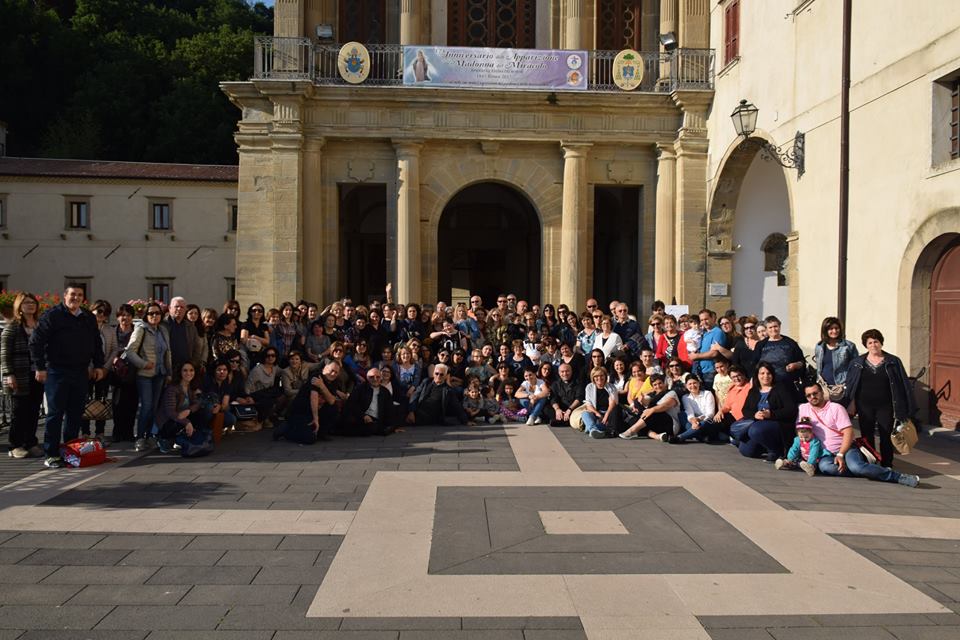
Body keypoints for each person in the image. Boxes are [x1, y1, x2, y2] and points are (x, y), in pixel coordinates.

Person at [28, 284, 106, 468]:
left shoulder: (87, 317)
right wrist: (40, 367)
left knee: (75, 414)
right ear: (65, 296)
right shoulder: (52, 315)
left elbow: (96, 342)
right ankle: (51, 454)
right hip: (56, 371)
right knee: (55, 414)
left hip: (80, 372)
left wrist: (99, 365)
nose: (76, 298)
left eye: (79, 295)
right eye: (72, 294)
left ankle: (69, 451)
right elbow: (36, 342)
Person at [802, 381, 919, 487]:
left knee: (857, 467)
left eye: (815, 393)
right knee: (826, 468)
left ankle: (897, 477)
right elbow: (801, 432)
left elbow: (848, 432)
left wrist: (841, 454)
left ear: (822, 392)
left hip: (846, 449)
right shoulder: (803, 409)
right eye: (809, 395)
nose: (813, 397)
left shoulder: (836, 408)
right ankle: (867, 471)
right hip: (825, 454)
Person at [842, 329, 916, 468]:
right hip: (864, 405)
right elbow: (851, 385)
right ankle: (869, 461)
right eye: (870, 342)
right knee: (866, 435)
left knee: (886, 434)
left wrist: (906, 406)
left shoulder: (893, 361)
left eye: (876, 341)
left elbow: (903, 384)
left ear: (881, 343)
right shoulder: (857, 362)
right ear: (866, 345)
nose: (873, 345)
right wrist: (851, 403)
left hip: (886, 405)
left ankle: (887, 463)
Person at [123, 302, 172, 452]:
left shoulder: (163, 330)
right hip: (145, 375)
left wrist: (169, 372)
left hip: (160, 374)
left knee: (155, 407)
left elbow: (167, 353)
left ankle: (151, 435)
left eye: (157, 313)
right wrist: (143, 364)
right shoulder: (140, 330)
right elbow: (130, 351)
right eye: (151, 313)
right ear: (146, 315)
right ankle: (140, 437)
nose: (155, 316)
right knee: (147, 406)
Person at [2, 292, 44, 458]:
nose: (30, 305)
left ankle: (31, 442)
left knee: (34, 410)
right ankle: (16, 445)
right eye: (26, 303)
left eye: (32, 302)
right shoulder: (12, 326)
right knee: (19, 412)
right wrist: (9, 374)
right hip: (18, 375)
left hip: (37, 375)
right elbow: (4, 353)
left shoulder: (39, 325)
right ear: (19, 306)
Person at [734, 362, 798, 461]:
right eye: (762, 373)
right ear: (757, 375)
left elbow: (791, 409)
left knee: (755, 430)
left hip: (777, 424)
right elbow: (745, 410)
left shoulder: (780, 388)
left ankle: (777, 451)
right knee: (746, 451)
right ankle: (766, 447)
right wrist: (754, 415)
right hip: (758, 423)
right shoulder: (754, 391)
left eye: (768, 373)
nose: (765, 376)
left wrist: (771, 414)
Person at [274, 360, 342, 444]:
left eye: (336, 372)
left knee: (333, 408)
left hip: (313, 412)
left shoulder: (333, 381)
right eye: (331, 370)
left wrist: (322, 386)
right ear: (324, 369)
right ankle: (286, 430)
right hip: (300, 412)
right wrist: (316, 419)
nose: (333, 374)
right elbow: (313, 397)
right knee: (309, 439)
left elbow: (331, 401)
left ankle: (320, 433)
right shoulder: (316, 377)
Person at [155, 361, 212, 454]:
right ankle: (164, 439)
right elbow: (170, 413)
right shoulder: (172, 389)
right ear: (180, 372)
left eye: (191, 370)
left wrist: (189, 410)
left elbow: (197, 404)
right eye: (185, 370)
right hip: (168, 422)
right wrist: (187, 422)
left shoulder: (190, 387)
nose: (188, 373)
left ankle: (196, 437)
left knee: (204, 411)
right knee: (176, 423)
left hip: (182, 418)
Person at [83, 299, 120, 440]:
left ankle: (100, 433)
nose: (101, 315)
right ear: (92, 310)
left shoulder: (109, 329)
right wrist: (89, 368)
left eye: (105, 313)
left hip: (104, 371)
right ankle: (85, 432)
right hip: (86, 371)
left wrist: (105, 368)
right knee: (84, 401)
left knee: (102, 401)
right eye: (98, 311)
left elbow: (115, 349)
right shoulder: (84, 327)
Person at [755, 316, 806, 400]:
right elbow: (755, 365)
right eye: (770, 327)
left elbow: (802, 362)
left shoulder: (790, 343)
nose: (773, 329)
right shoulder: (761, 345)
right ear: (766, 329)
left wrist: (795, 365)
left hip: (787, 385)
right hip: (767, 386)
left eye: (775, 326)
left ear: (779, 326)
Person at [618, 374, 680, 441]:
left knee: (653, 412)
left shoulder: (671, 393)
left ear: (664, 383)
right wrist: (642, 400)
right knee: (635, 419)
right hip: (656, 425)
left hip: (670, 425)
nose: (658, 386)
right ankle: (657, 436)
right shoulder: (652, 395)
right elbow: (647, 400)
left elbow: (666, 405)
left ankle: (632, 431)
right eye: (655, 385)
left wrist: (652, 410)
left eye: (660, 383)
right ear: (652, 387)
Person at [110, 304, 139, 443]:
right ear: (117, 317)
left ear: (132, 318)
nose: (125, 318)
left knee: (131, 404)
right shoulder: (113, 332)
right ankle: (117, 432)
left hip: (133, 372)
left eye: (128, 315)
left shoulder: (136, 332)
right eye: (122, 315)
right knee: (117, 404)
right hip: (116, 373)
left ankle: (128, 432)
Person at [814, 316, 860, 402]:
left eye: (836, 328)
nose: (834, 331)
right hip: (824, 388)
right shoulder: (819, 346)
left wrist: (849, 385)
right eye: (831, 329)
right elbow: (819, 367)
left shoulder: (848, 346)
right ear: (825, 330)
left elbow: (855, 368)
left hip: (842, 389)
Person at [340, 367, 395, 436]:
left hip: (376, 419)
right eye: (371, 377)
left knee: (374, 428)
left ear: (381, 378)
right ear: (367, 378)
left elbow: (389, 409)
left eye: (377, 377)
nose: (375, 379)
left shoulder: (385, 392)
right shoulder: (360, 389)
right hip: (361, 417)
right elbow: (351, 404)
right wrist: (363, 416)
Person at [244, 346, 285, 428]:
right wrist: (247, 397)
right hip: (256, 394)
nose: (270, 357)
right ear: (264, 357)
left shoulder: (274, 368)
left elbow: (285, 372)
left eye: (273, 355)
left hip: (267, 393)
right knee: (269, 399)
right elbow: (248, 385)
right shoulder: (257, 370)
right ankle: (262, 421)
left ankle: (268, 417)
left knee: (282, 395)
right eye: (268, 355)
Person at [713, 314, 761, 378]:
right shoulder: (722, 338)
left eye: (727, 323)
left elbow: (732, 356)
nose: (749, 330)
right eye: (722, 324)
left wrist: (719, 348)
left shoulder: (739, 339)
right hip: (737, 375)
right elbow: (735, 361)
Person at [165, 297, 205, 373]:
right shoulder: (162, 325)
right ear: (170, 308)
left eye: (182, 307)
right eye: (176, 306)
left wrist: (193, 364)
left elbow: (197, 347)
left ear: (185, 310)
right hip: (166, 368)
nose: (179, 309)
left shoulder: (190, 327)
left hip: (185, 370)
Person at [675, 375, 719, 443]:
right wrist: (693, 421)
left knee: (704, 423)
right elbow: (689, 412)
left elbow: (710, 414)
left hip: (707, 422)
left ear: (699, 383)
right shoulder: (685, 397)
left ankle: (680, 437)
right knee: (682, 415)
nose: (693, 386)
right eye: (690, 384)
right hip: (694, 422)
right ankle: (701, 437)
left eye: (695, 383)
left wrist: (698, 419)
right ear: (686, 386)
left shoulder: (707, 393)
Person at [581, 367, 623, 439]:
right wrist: (597, 414)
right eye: (596, 376)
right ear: (593, 378)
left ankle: (591, 428)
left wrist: (606, 415)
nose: (599, 378)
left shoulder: (611, 387)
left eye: (601, 375)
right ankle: (593, 430)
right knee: (585, 414)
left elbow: (614, 403)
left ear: (605, 376)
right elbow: (588, 404)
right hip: (596, 413)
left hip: (608, 414)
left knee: (604, 423)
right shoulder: (589, 387)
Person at [689, 309, 726, 389]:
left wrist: (696, 356)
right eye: (701, 320)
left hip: (710, 372)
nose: (704, 322)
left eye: (706, 319)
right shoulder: (703, 332)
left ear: (712, 318)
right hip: (699, 371)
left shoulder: (717, 332)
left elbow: (714, 353)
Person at [549, 362, 584, 427]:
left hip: (573, 408)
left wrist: (569, 410)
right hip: (561, 408)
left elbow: (579, 399)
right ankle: (565, 420)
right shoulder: (555, 384)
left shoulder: (578, 383)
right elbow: (553, 398)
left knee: (579, 413)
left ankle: (563, 421)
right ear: (559, 373)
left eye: (567, 371)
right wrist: (557, 409)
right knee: (547, 408)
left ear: (571, 371)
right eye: (562, 372)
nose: (565, 374)